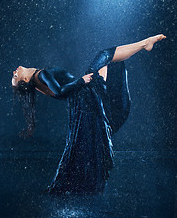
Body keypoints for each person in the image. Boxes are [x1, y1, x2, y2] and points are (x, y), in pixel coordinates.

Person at [11, 34, 166, 194]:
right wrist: (81, 81)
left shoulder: (37, 82)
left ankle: (144, 44)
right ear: (25, 80)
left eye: (13, 75)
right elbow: (60, 91)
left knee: (109, 60)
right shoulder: (41, 75)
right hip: (84, 92)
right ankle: (145, 43)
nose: (14, 72)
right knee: (104, 55)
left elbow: (59, 95)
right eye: (15, 77)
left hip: (82, 97)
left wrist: (79, 85)